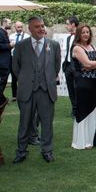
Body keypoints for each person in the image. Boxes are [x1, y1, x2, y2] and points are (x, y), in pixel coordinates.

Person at [12, 16, 61, 163]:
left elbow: (56, 66)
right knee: (25, 122)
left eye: (42, 26)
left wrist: (47, 79)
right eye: (37, 26)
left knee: (47, 122)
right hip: (27, 90)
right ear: (30, 28)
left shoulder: (54, 45)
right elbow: (16, 68)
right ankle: (21, 151)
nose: (41, 29)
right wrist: (27, 79)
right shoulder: (21, 46)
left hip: (46, 90)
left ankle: (47, 150)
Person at [71, 24, 96, 149]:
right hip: (83, 84)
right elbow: (87, 63)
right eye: (83, 32)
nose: (86, 34)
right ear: (79, 34)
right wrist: (93, 64)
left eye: (88, 32)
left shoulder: (92, 46)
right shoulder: (77, 48)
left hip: (94, 84)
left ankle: (94, 140)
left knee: (95, 110)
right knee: (84, 111)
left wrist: (92, 65)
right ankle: (83, 141)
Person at [62, 15, 79, 118]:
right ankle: (74, 109)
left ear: (73, 24)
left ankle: (78, 109)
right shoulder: (68, 38)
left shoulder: (80, 36)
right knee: (70, 89)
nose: (66, 26)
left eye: (67, 24)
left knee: (77, 89)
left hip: (76, 67)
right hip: (68, 66)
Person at [8, 21, 29, 101]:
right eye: (18, 27)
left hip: (23, 59)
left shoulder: (26, 36)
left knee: (23, 77)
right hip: (13, 58)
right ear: (15, 27)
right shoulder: (11, 36)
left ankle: (24, 94)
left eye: (21, 27)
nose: (20, 29)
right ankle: (14, 96)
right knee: (14, 78)